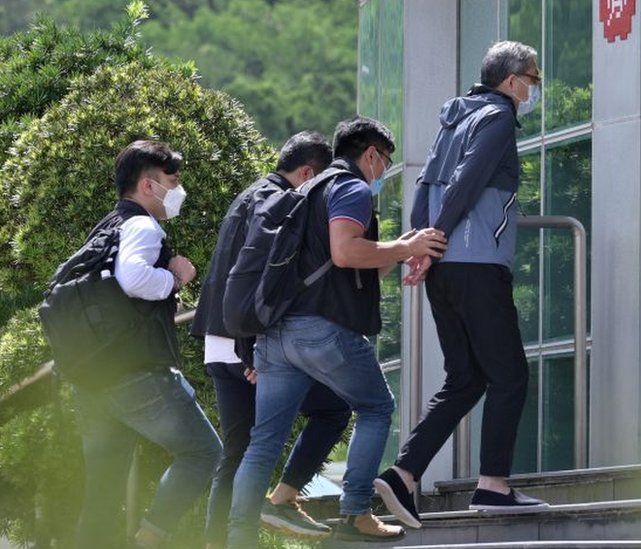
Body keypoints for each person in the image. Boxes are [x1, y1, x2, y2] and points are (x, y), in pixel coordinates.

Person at [225, 117, 448, 547]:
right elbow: (345, 253)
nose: (383, 170)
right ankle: (356, 512)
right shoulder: (352, 188)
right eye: (384, 161)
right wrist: (409, 247)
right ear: (370, 155)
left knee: (264, 440)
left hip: (276, 335)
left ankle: (241, 535)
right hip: (322, 330)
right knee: (376, 408)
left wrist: (401, 248)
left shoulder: (305, 191)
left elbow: (342, 262)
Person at [374, 41, 549, 529]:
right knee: (510, 374)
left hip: (446, 266)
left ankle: (404, 474)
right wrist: (437, 238)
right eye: (532, 81)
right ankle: (494, 485)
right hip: (475, 264)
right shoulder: (495, 118)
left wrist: (420, 245)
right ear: (512, 81)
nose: (533, 91)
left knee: (467, 378)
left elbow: (427, 185)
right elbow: (467, 182)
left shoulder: (455, 118)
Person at [190, 131, 352, 546]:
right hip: (246, 344)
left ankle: (219, 540)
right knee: (333, 408)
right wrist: (253, 352)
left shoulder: (251, 195)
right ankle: (280, 499)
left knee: (238, 450)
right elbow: (254, 276)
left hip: (221, 340)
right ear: (307, 173)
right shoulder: (278, 201)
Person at [73, 140, 222, 548]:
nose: (178, 189)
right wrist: (176, 276)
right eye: (173, 181)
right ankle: (150, 539)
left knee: (103, 489)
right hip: (137, 373)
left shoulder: (106, 227)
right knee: (204, 452)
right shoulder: (141, 225)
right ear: (148, 186)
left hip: (94, 377)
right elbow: (135, 279)